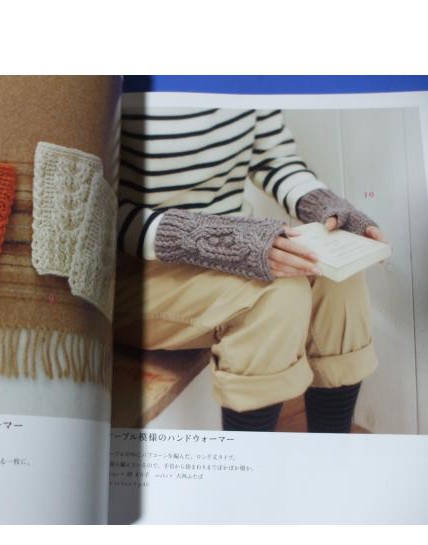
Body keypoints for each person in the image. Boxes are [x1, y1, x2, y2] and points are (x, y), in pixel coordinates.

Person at [113, 107, 386, 433]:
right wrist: (219, 238)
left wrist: (323, 205)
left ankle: (331, 449)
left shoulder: (252, 77)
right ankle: (249, 462)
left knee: (339, 278)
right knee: (277, 295)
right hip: (134, 269)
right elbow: (94, 207)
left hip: (235, 243)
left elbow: (274, 158)